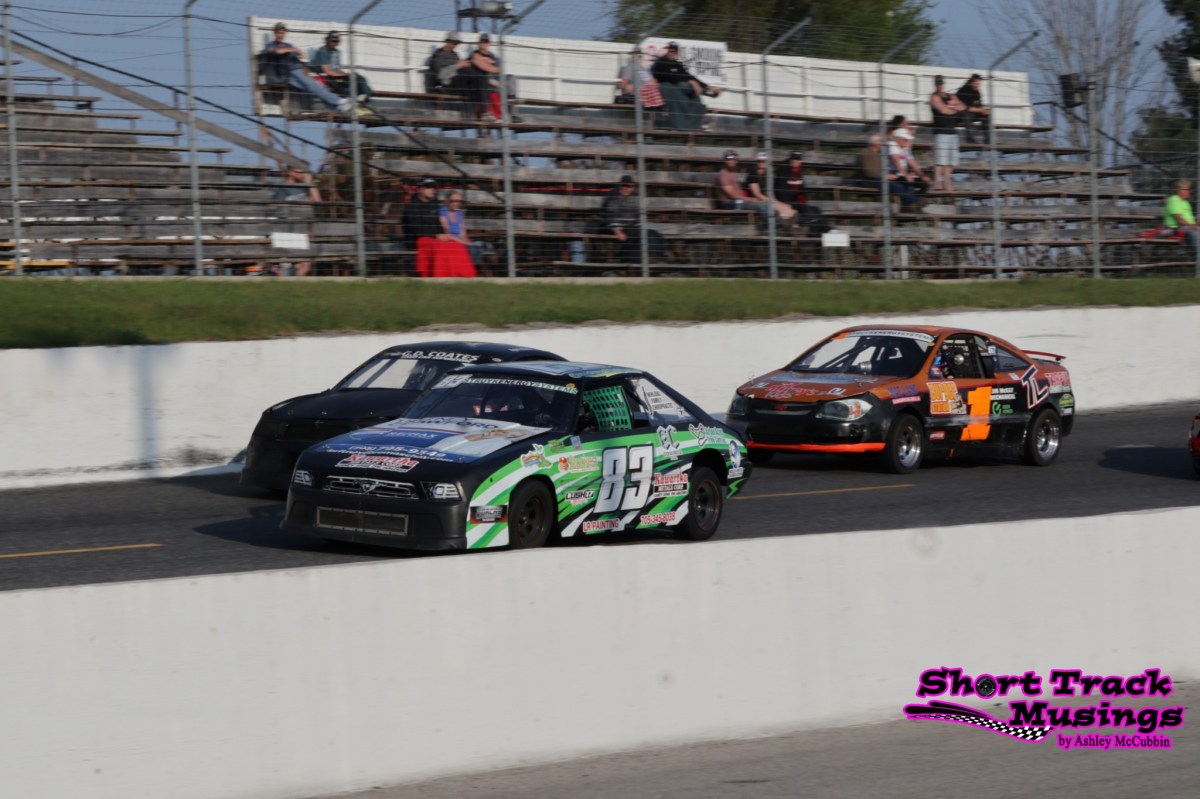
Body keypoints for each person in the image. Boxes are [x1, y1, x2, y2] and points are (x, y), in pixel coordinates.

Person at [260, 22, 353, 114]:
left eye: (283, 33)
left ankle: (336, 107)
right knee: (313, 86)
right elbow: (277, 51)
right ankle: (339, 101)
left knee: (314, 88)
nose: (281, 35)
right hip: (287, 73)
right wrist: (295, 49)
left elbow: (299, 59)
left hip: (296, 72)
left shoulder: (288, 45)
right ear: (274, 33)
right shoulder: (271, 45)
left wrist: (304, 66)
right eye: (279, 32)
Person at [650, 41, 718, 131]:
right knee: (681, 87)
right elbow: (668, 76)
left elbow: (688, 76)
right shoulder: (661, 62)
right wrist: (691, 82)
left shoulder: (677, 64)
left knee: (691, 90)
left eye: (675, 51)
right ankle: (690, 123)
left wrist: (708, 86)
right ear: (667, 51)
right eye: (671, 51)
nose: (672, 53)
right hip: (667, 88)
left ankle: (698, 121)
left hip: (678, 88)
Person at [270, 162, 321, 275]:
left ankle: (295, 283)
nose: (303, 174)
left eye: (304, 172)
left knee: (304, 265)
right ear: (290, 172)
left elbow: (317, 201)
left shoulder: (303, 188)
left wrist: (310, 183)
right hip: (285, 232)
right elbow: (275, 210)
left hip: (300, 233)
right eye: (300, 172)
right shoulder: (280, 188)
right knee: (285, 267)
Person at [601, 175, 666, 262]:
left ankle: (660, 257)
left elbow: (638, 216)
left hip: (632, 228)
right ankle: (648, 260)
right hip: (618, 228)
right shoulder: (613, 197)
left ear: (633, 187)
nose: (626, 188)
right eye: (624, 185)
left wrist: (639, 227)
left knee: (654, 234)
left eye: (629, 186)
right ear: (620, 185)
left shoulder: (635, 198)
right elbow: (611, 216)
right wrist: (617, 231)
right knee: (642, 235)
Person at [467, 34, 522, 123]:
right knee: (487, 78)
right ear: (478, 43)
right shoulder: (475, 54)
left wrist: (489, 67)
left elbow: (499, 69)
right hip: (484, 81)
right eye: (482, 42)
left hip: (496, 80)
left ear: (488, 44)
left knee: (511, 78)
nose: (483, 44)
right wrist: (490, 67)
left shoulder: (492, 55)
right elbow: (483, 67)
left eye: (485, 42)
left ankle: (513, 110)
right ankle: (507, 107)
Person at [308, 31, 373, 107]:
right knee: (355, 80)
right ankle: (363, 97)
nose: (335, 43)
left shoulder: (337, 52)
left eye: (337, 41)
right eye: (333, 41)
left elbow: (338, 69)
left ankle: (363, 97)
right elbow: (327, 71)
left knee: (358, 78)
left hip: (335, 77)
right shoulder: (322, 51)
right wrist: (344, 75)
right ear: (327, 40)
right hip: (327, 78)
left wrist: (345, 74)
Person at [774, 151, 831, 235]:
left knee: (816, 210)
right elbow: (779, 191)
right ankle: (825, 230)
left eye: (797, 159)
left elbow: (802, 190)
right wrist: (787, 204)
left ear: (801, 161)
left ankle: (825, 230)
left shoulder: (798, 172)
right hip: (785, 203)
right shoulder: (783, 171)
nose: (795, 161)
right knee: (808, 211)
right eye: (793, 159)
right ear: (790, 159)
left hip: (796, 202)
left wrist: (802, 201)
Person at [426, 191, 478, 277]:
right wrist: (461, 241)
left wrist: (465, 240)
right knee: (461, 247)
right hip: (450, 239)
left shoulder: (459, 213)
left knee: (476, 246)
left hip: (458, 239)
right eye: (453, 201)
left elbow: (462, 231)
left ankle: (467, 272)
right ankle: (461, 273)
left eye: (458, 201)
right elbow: (447, 231)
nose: (456, 203)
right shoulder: (443, 212)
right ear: (447, 201)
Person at [929, 75, 965, 192]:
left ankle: (947, 181)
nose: (939, 86)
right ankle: (938, 182)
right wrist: (953, 108)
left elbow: (962, 107)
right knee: (940, 160)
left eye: (940, 83)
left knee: (951, 160)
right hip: (941, 131)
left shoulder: (950, 96)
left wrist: (950, 107)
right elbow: (942, 110)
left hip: (952, 132)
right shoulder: (934, 97)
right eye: (937, 83)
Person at [713, 151, 769, 222]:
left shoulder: (732, 173)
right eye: (729, 158)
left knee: (764, 205)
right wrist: (750, 199)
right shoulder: (723, 175)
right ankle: (772, 225)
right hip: (729, 204)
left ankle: (769, 225)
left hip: (737, 202)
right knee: (760, 206)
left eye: (734, 158)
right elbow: (732, 196)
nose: (732, 160)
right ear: (725, 160)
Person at [403, 178, 443, 277]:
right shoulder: (412, 207)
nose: (433, 189)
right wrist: (436, 235)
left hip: (433, 240)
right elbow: (417, 230)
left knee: (453, 245)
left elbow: (439, 225)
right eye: (429, 187)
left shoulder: (435, 205)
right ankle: (438, 275)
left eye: (434, 187)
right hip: (417, 242)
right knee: (441, 246)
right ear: (420, 189)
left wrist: (441, 234)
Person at [744, 151, 796, 227]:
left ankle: (790, 225)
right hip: (755, 201)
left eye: (764, 161)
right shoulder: (752, 175)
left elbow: (769, 193)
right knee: (780, 208)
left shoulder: (767, 175)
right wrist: (772, 202)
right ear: (756, 162)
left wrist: (776, 201)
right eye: (759, 161)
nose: (762, 163)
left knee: (787, 207)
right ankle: (784, 226)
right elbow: (757, 194)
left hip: (764, 200)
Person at [888, 127, 929, 211]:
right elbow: (896, 162)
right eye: (905, 139)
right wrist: (906, 175)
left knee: (924, 183)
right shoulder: (891, 145)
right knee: (906, 184)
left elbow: (913, 163)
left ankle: (913, 204)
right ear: (898, 139)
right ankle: (914, 203)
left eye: (907, 140)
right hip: (892, 174)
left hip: (902, 175)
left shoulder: (905, 148)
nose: (907, 141)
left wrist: (922, 175)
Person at [427, 31, 472, 96]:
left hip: (456, 83)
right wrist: (458, 66)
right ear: (448, 41)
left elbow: (459, 68)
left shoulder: (455, 55)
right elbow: (441, 75)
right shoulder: (438, 55)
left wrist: (465, 64)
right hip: (445, 85)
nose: (455, 45)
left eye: (457, 43)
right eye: (454, 43)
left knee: (471, 71)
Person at [1164, 180, 1199, 254]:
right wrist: (1194, 227)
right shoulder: (1174, 200)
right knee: (1195, 232)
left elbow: (1190, 219)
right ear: (1178, 190)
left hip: (1187, 227)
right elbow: (1180, 220)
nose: (1188, 191)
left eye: (1189, 189)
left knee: (1193, 231)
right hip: (1175, 229)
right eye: (1185, 189)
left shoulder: (1186, 202)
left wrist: (1195, 226)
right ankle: (1197, 255)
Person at [955, 73, 991, 143]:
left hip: (971, 113)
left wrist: (984, 111)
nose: (978, 86)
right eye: (976, 84)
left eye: (979, 84)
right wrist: (980, 110)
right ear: (972, 82)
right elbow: (967, 108)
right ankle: (971, 140)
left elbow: (978, 106)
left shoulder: (977, 92)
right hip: (960, 114)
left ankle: (988, 140)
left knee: (986, 115)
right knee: (967, 114)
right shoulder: (965, 90)